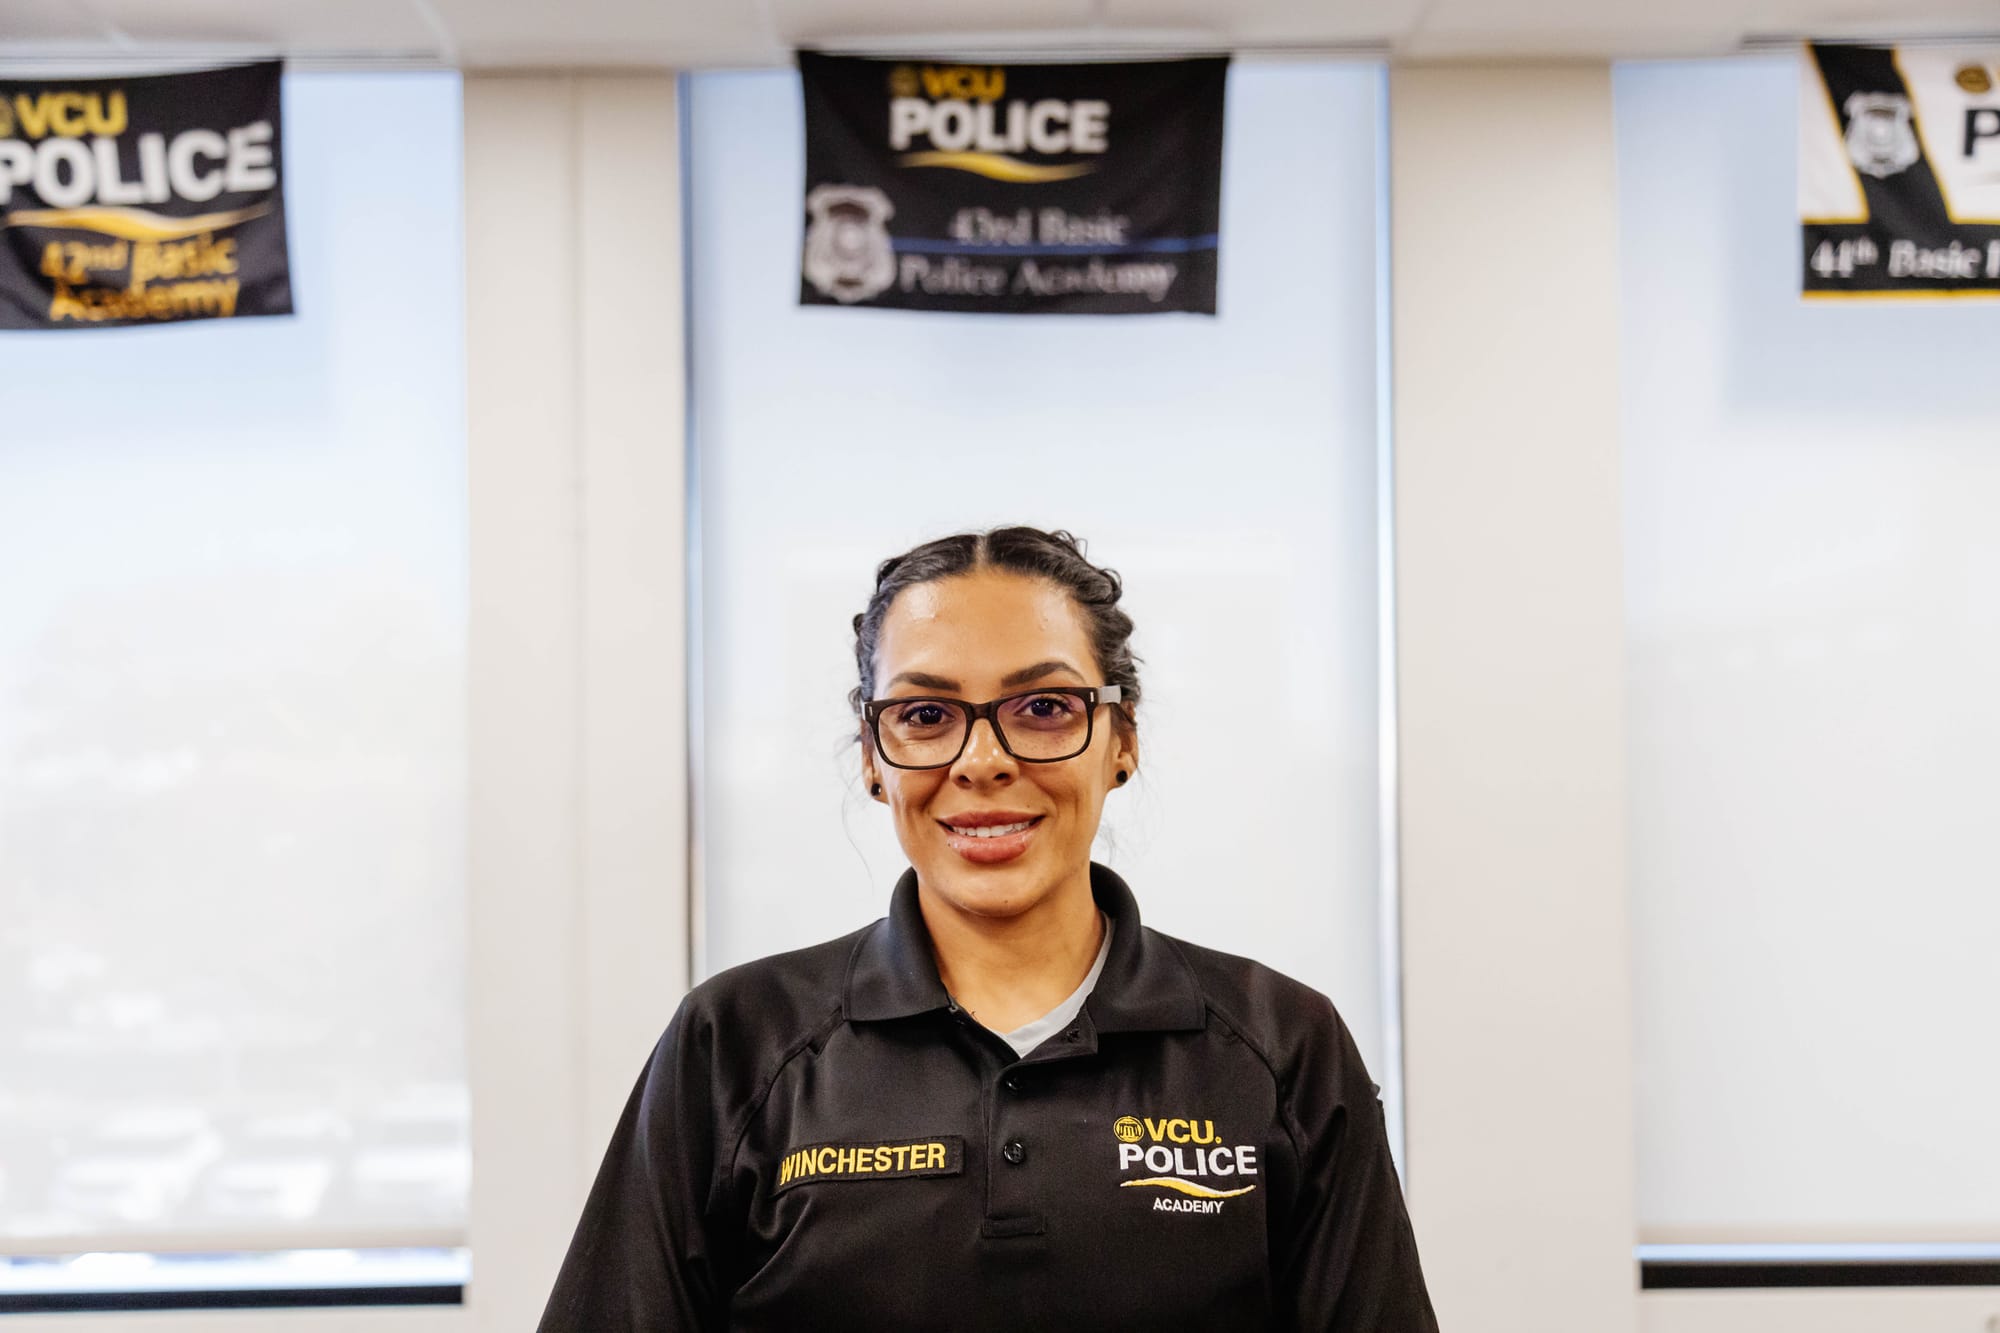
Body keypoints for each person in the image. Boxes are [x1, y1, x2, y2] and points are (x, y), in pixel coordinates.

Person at [538, 526, 1437, 1331]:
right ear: (873, 756)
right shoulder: (735, 1043)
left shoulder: (1283, 1047)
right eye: (925, 715)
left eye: (1043, 707)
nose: (983, 761)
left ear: (1122, 738)